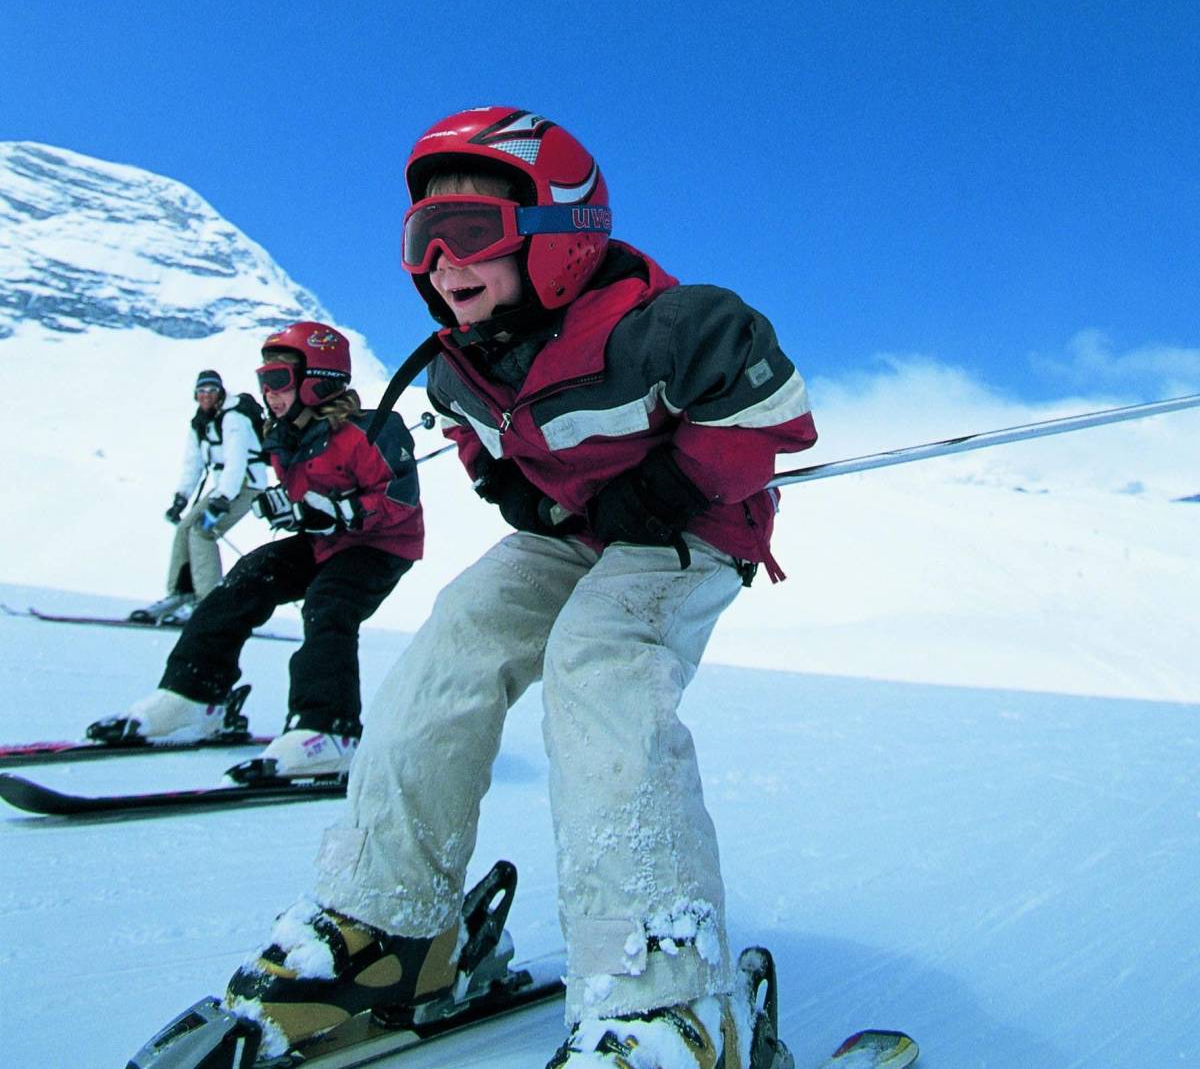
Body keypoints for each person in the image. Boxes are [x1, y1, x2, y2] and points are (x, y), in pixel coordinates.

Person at [222, 108, 818, 1069]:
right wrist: (513, 492)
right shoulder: (462, 361)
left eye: (469, 237)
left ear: (560, 238)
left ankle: (665, 995)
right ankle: (385, 926)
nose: (441, 265)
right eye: (423, 240)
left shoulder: (667, 327)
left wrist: (668, 486)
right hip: (581, 534)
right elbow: (478, 438)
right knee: (456, 634)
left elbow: (771, 412)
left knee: (599, 662)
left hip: (696, 530)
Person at [91, 323, 424, 779]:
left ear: (317, 379)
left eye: (278, 381)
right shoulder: (284, 437)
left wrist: (344, 510)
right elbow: (307, 502)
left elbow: (400, 500)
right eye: (263, 381)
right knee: (249, 576)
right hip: (326, 542)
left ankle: (330, 730)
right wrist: (290, 508)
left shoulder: (371, 431)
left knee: (329, 602)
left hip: (381, 546)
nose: (269, 394)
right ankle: (196, 696)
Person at [134, 368, 269, 623]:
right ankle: (181, 593)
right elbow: (193, 463)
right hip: (224, 488)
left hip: (246, 486)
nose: (206, 396)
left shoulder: (234, 419)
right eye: (201, 391)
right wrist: (181, 498)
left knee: (202, 531)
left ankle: (208, 602)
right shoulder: (200, 423)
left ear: (220, 393)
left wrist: (223, 499)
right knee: (185, 528)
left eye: (211, 390)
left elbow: (236, 462)